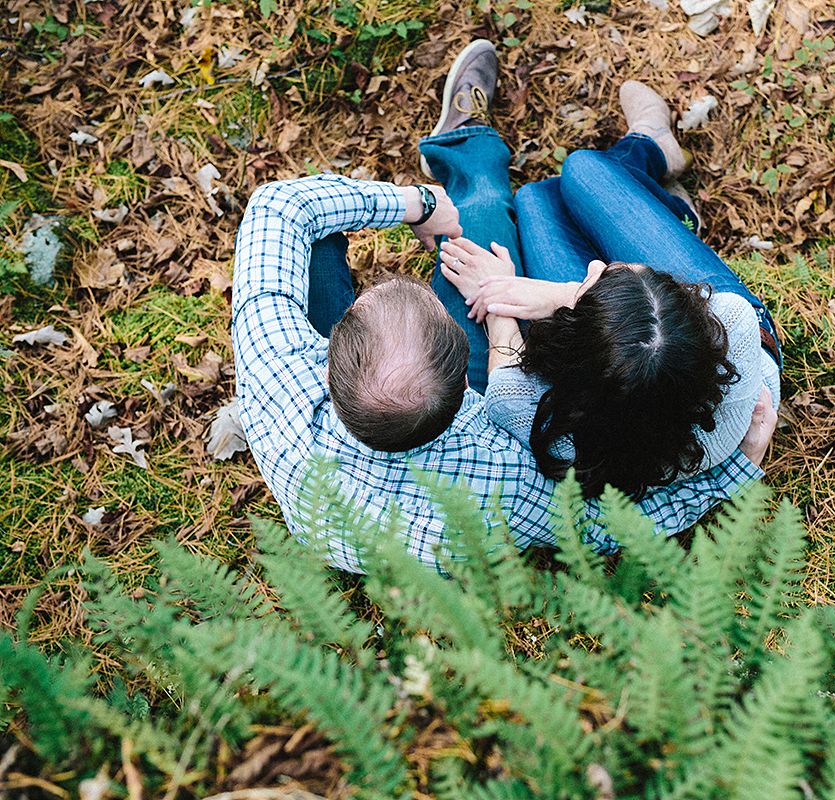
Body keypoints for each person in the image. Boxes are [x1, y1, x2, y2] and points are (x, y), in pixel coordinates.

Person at [231, 39, 776, 573]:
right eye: (440, 306)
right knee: (559, 186)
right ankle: (648, 167)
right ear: (463, 390)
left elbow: (279, 205)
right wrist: (738, 469)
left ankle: (479, 149)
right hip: (680, 360)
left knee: (528, 205)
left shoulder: (273, 360)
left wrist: (418, 207)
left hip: (331, 455)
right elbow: (610, 528)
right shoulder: (503, 476)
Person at [439, 79, 783, 501]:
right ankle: (654, 163)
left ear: (571, 351)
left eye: (595, 281)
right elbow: (637, 334)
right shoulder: (734, 324)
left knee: (540, 195)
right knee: (576, 175)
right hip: (714, 339)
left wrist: (499, 298)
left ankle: (652, 164)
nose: (598, 265)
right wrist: (559, 296)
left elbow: (506, 380)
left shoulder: (545, 424)